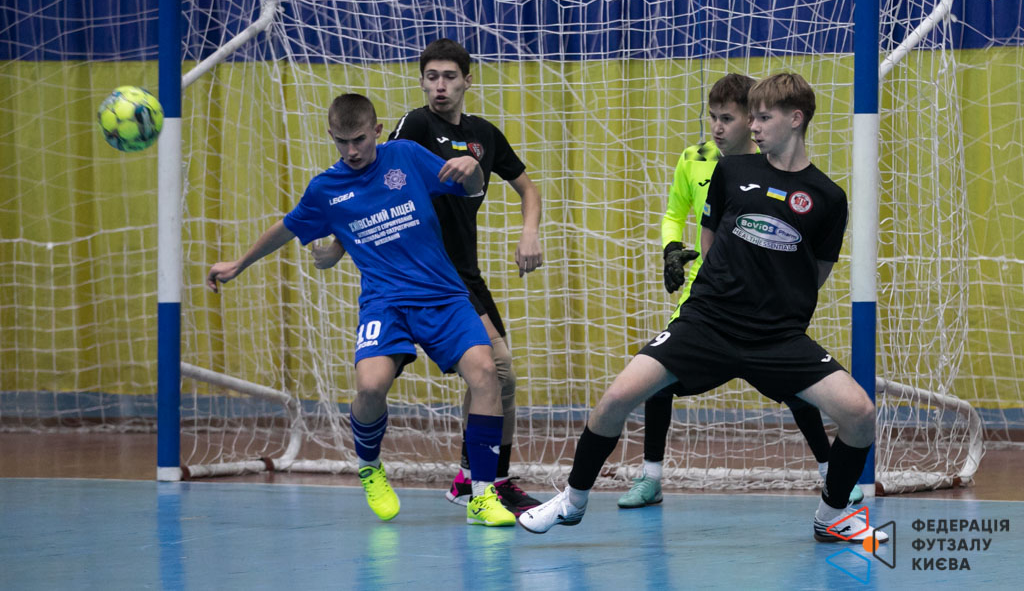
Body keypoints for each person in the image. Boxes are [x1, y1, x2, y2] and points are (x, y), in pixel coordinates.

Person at [520, 73, 887, 546]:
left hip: (777, 337)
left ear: (796, 119)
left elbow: (816, 272)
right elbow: (710, 242)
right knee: (614, 400)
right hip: (707, 324)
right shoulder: (730, 171)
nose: (753, 126)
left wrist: (773, 303)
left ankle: (831, 516)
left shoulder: (828, 197)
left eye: (763, 117)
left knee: (859, 413)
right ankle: (572, 501)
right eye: (751, 117)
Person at [207, 93, 516, 527]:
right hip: (384, 303)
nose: (352, 151)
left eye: (359, 140)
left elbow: (469, 187)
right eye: (342, 142)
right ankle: (370, 467)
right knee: (371, 388)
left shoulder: (406, 155)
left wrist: (472, 168)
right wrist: (239, 263)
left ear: (376, 131)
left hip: (443, 294)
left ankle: (482, 496)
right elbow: (287, 226)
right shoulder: (325, 189)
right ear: (331, 137)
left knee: (486, 374)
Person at [313, 39, 544, 516]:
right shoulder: (415, 127)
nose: (440, 86)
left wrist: (529, 233)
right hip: (423, 274)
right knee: (495, 371)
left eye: (449, 77)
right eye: (432, 77)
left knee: (499, 375)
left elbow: (526, 187)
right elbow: (370, 185)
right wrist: (338, 244)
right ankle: (482, 483)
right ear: (421, 82)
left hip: (464, 274)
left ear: (467, 81)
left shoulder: (484, 134)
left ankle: (475, 480)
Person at [617, 73, 863, 509]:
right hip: (707, 295)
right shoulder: (696, 158)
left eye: (727, 119)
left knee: (797, 390)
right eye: (712, 117)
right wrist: (671, 249)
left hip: (765, 302)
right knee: (656, 377)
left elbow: (812, 262)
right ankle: (650, 476)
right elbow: (676, 213)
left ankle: (829, 469)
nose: (717, 128)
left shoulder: (777, 167)